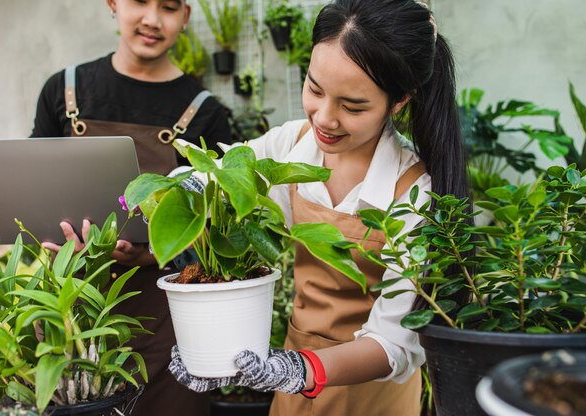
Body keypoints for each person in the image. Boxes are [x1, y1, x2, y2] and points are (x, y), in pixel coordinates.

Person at [168, 0, 470, 415]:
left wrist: (298, 369)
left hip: (370, 391)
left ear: (399, 101)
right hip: (291, 379)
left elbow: (394, 343)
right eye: (314, 89)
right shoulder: (291, 146)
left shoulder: (415, 190)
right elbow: (215, 182)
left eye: (352, 106)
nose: (324, 118)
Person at [31, 1, 231, 415]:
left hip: (167, 320)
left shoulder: (206, 110)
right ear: (112, 4)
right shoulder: (64, 89)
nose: (153, 20)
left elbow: (218, 229)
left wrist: (156, 250)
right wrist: (50, 238)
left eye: (169, 7)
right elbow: (33, 189)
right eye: (139, 1)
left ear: (186, 16)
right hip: (72, 311)